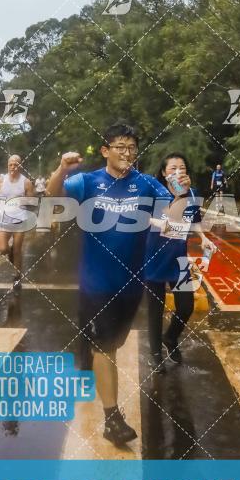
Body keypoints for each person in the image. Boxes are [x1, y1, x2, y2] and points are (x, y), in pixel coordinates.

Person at [46, 121, 171, 447]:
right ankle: (112, 418)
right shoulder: (87, 181)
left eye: (131, 148)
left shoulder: (144, 183)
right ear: (105, 151)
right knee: (105, 345)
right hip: (95, 282)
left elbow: (171, 206)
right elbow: (52, 195)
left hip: (131, 284)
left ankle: (90, 358)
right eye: (120, 147)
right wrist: (61, 168)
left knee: (111, 345)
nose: (127, 153)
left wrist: (172, 210)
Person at [144, 154, 214, 373]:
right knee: (155, 308)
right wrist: (161, 224)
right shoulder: (155, 191)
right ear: (164, 173)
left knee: (186, 306)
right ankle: (155, 353)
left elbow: (194, 220)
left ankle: (170, 338)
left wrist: (203, 238)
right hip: (153, 255)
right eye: (172, 168)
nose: (177, 172)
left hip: (179, 258)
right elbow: (142, 217)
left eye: (182, 168)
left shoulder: (191, 193)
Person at [0, 155, 35, 291]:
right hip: (4, 219)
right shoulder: (1, 180)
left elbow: (32, 202)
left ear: (20, 166)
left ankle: (17, 277)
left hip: (19, 219)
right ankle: (10, 254)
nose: (13, 167)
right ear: (7, 165)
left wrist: (24, 202)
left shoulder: (26, 182)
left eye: (16, 165)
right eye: (10, 164)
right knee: (3, 249)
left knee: (17, 249)